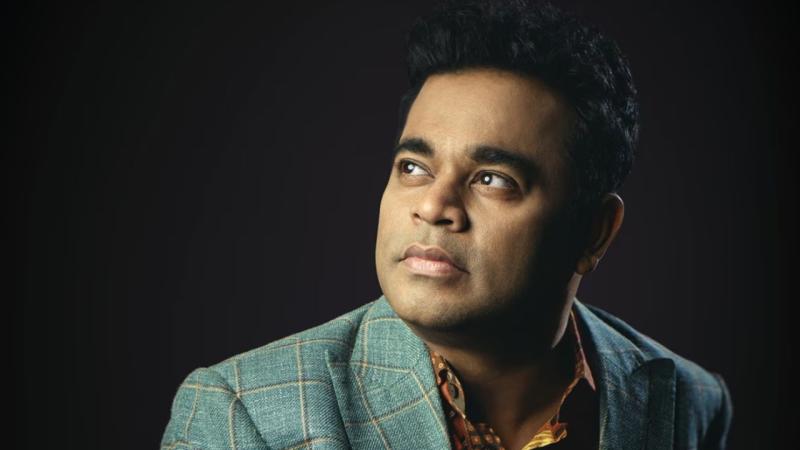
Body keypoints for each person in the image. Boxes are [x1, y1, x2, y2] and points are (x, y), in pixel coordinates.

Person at [160, 1, 733, 448]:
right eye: (414, 167)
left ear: (595, 232)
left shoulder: (688, 402)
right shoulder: (244, 413)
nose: (434, 206)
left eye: (492, 179)